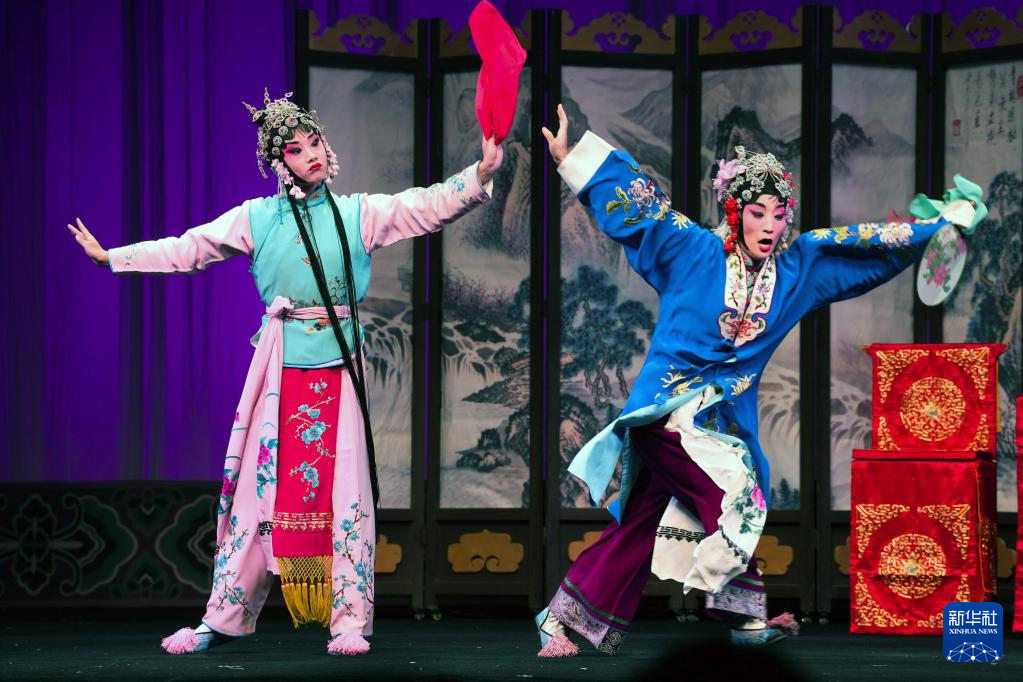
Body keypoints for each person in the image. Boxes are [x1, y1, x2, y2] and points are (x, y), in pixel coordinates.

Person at [68, 89, 503, 655]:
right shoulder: (256, 218)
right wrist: (115, 257)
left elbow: (424, 205)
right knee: (258, 495)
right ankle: (222, 617)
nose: (311, 154)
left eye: (314, 142)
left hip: (339, 370)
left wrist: (480, 173)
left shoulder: (359, 214)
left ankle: (348, 621)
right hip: (280, 372)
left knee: (345, 493)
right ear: (279, 163)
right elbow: (191, 248)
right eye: (296, 149)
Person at [534, 104, 981, 655]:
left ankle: (561, 616)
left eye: (779, 214)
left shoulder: (795, 272)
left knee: (643, 522)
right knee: (733, 494)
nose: (770, 226)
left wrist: (938, 227)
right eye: (758, 212)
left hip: (720, 424)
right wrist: (574, 159)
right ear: (735, 211)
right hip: (667, 416)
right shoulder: (692, 251)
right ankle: (743, 618)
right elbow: (641, 209)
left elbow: (859, 246)